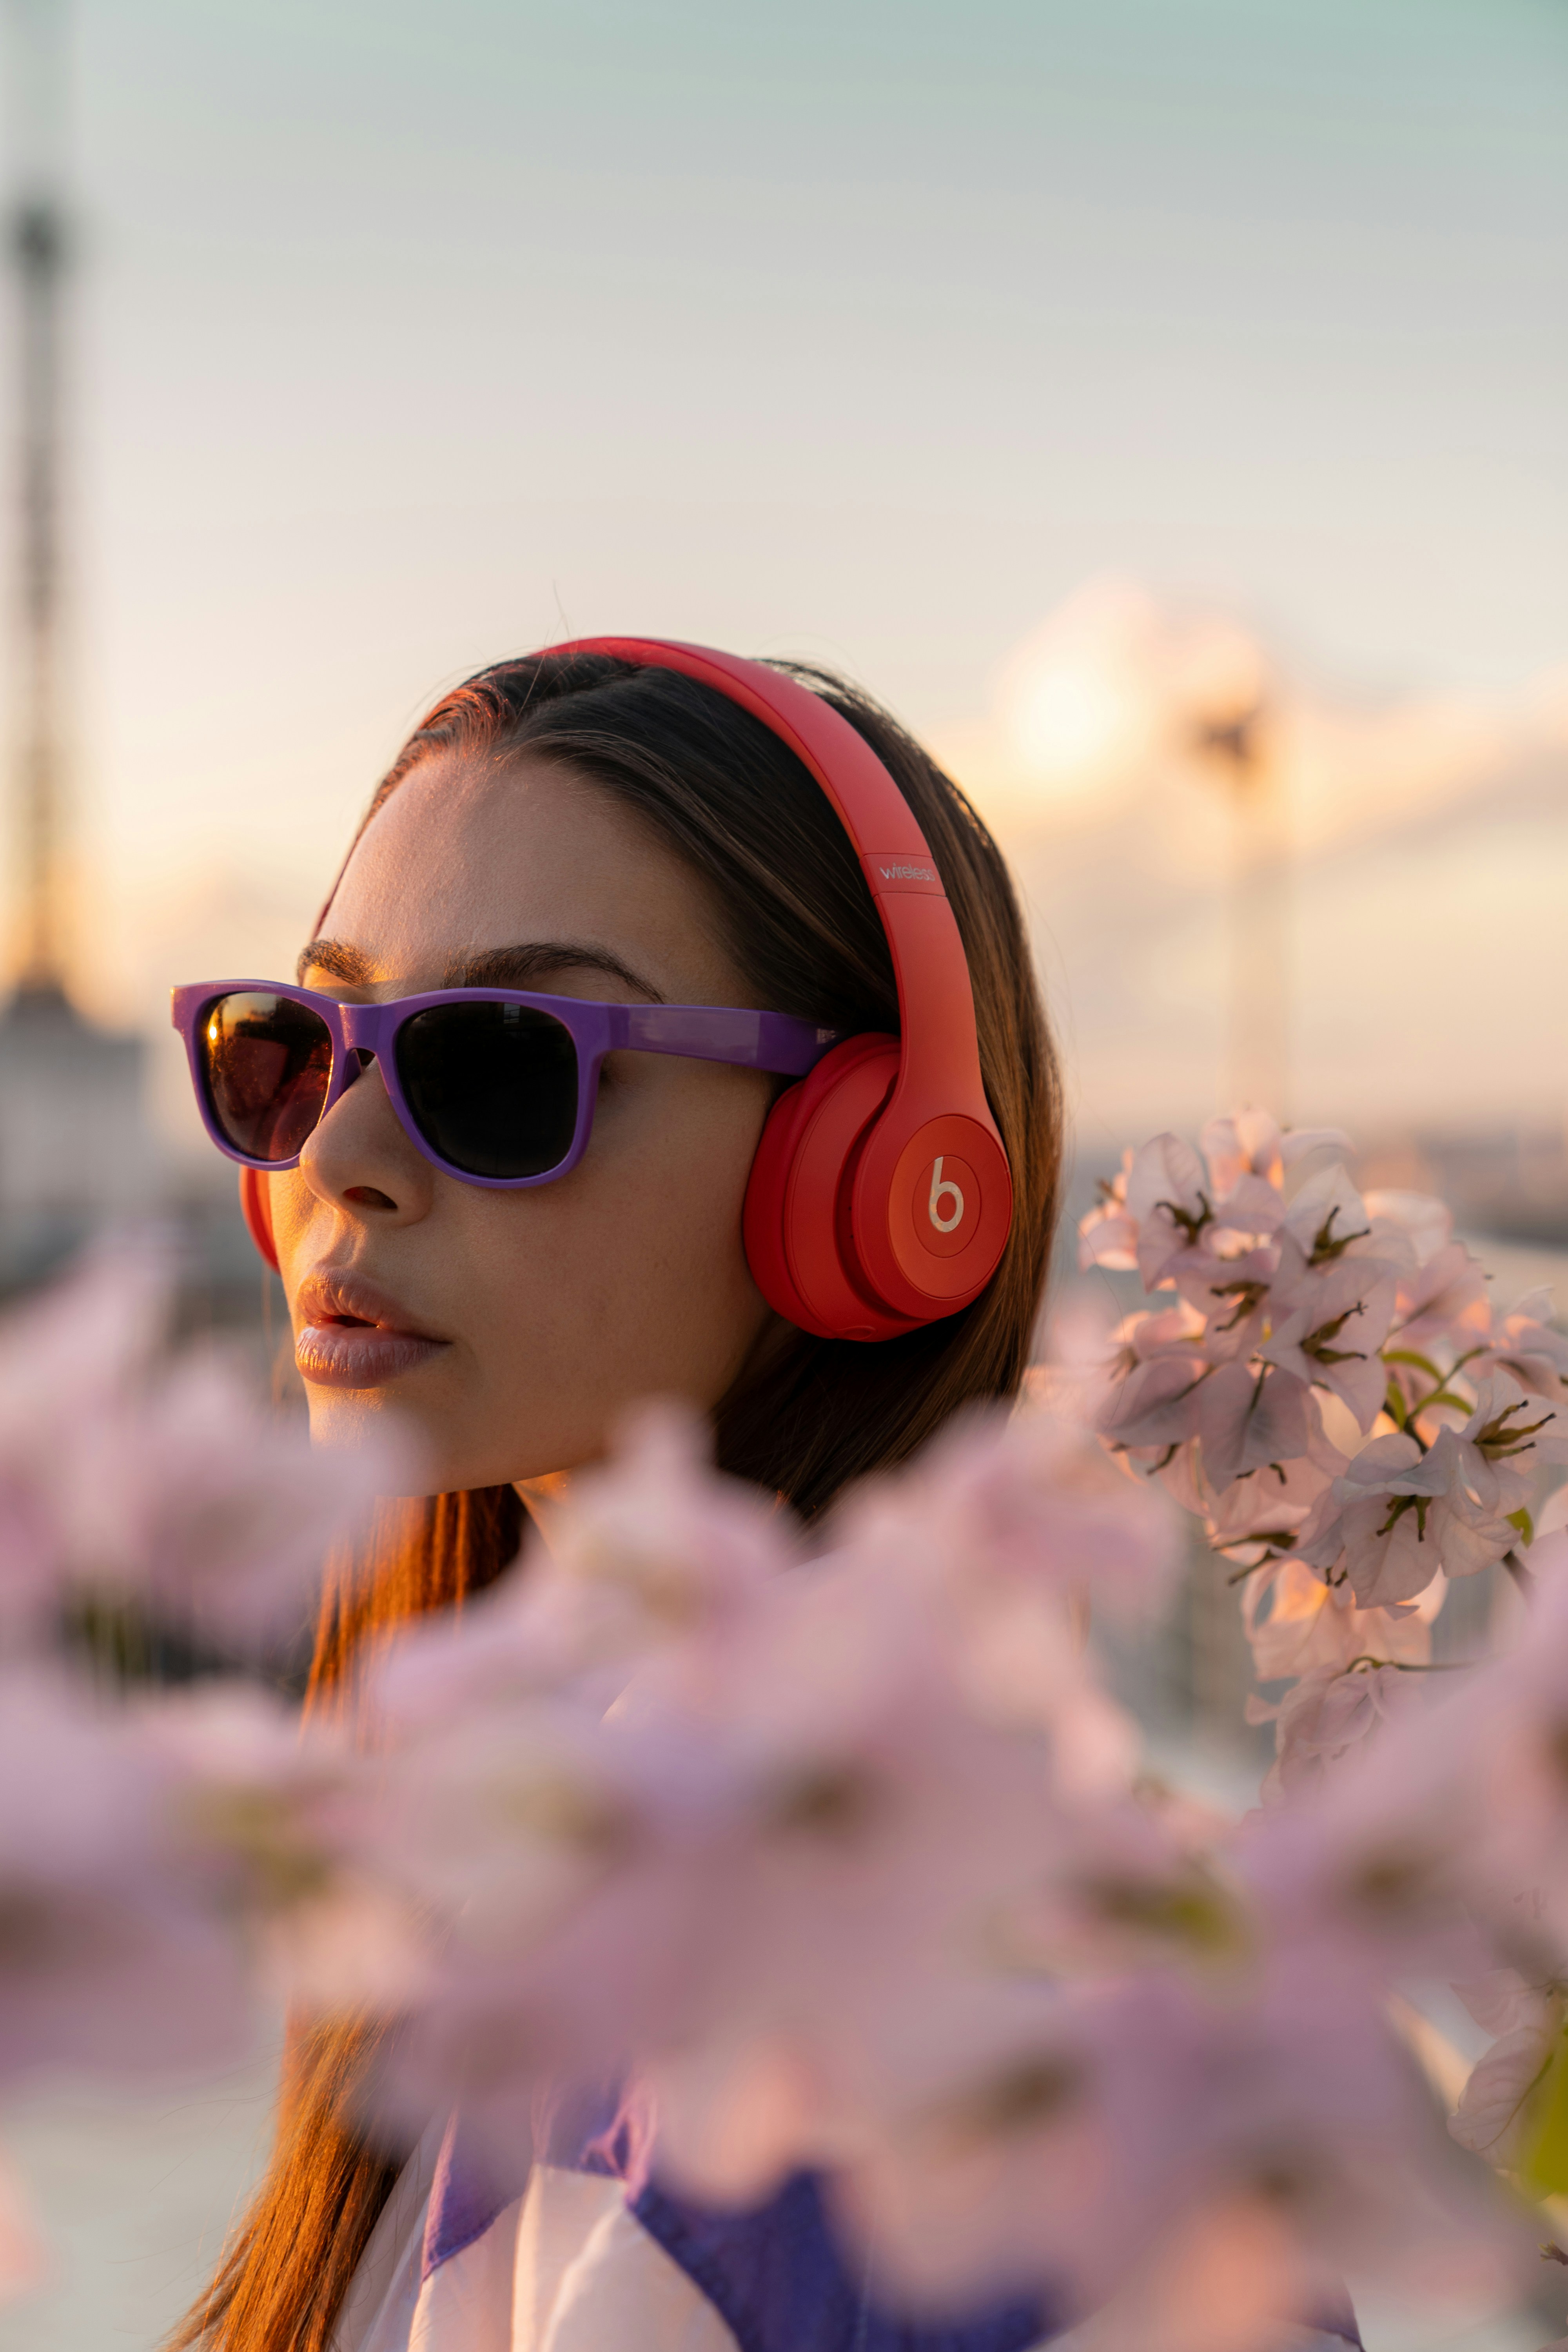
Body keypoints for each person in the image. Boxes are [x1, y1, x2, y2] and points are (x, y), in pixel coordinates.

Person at [169, 640, 1065, 2352]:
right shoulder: (532, 1831)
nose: (339, 1156)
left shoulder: (808, 1986)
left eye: (499, 1063)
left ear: (880, 1178)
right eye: (300, 1045)